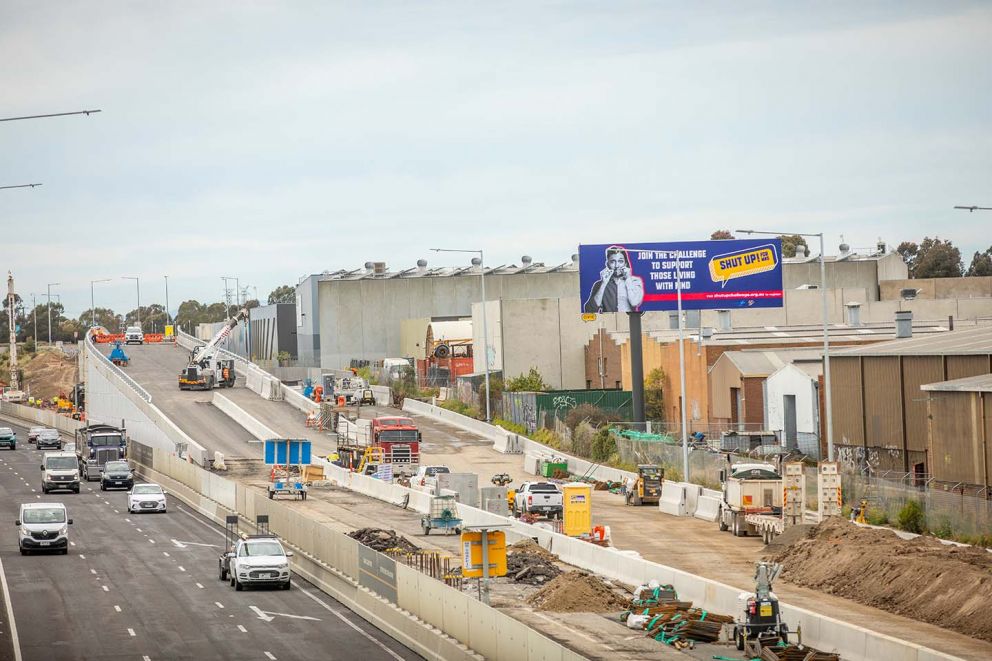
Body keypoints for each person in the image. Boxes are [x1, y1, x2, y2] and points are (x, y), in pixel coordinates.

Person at [584, 245, 644, 313]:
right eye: (612, 262)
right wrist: (603, 284)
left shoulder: (635, 281)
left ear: (625, 263)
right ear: (607, 264)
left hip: (629, 320)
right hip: (609, 321)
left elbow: (634, 303)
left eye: (620, 261)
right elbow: (589, 310)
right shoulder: (599, 284)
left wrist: (628, 279)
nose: (617, 266)